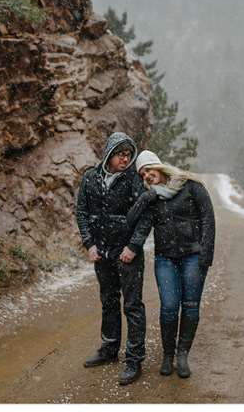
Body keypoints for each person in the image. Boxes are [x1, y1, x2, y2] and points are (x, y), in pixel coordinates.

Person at [127, 150, 215, 378]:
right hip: (165, 258)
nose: (146, 175)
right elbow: (131, 221)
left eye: (149, 170)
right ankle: (168, 355)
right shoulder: (152, 198)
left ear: (160, 167)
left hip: (193, 257)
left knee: (190, 306)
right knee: (168, 306)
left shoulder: (190, 185)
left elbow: (208, 219)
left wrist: (206, 256)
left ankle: (182, 355)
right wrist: (146, 197)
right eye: (142, 174)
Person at [75, 132, 151, 386]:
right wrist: (89, 243)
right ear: (109, 154)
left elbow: (144, 216)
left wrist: (133, 245)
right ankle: (109, 349)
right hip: (102, 252)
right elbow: (82, 212)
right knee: (108, 301)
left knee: (132, 305)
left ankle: (134, 358)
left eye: (129, 155)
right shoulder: (90, 178)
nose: (126, 159)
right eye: (121, 154)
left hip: (128, 253)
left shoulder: (133, 180)